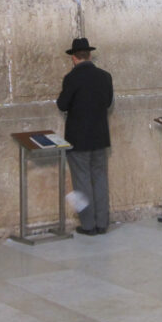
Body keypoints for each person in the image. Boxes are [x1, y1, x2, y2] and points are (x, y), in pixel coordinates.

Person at [57, 37, 113, 235]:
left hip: (78, 139)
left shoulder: (71, 78)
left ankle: (88, 225)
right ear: (89, 55)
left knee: (81, 182)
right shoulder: (105, 76)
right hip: (100, 137)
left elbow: (62, 104)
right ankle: (102, 223)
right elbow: (107, 102)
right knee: (99, 179)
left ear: (74, 58)